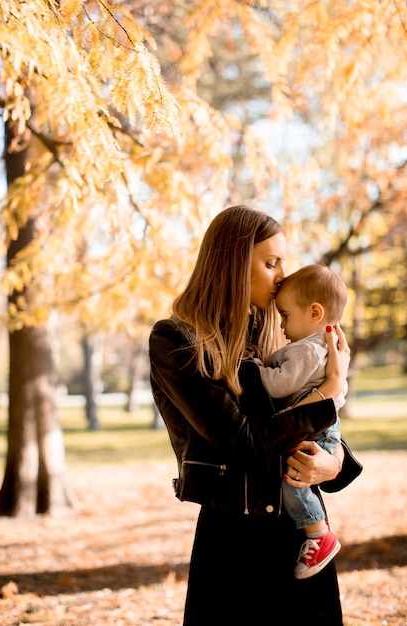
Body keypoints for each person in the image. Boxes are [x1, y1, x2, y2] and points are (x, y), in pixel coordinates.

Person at [149, 205, 362, 626]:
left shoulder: (280, 335)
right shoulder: (177, 341)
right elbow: (245, 444)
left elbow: (310, 433)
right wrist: (329, 393)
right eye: (270, 263)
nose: (282, 275)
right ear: (231, 264)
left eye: (283, 260)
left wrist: (333, 462)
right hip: (233, 543)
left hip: (303, 538)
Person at [254, 264, 348, 580]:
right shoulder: (323, 344)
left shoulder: (310, 348)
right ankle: (317, 532)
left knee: (291, 477)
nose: (281, 325)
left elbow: (279, 385)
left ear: (315, 312)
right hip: (322, 424)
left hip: (315, 426)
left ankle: (318, 533)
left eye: (286, 315)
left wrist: (255, 371)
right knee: (293, 474)